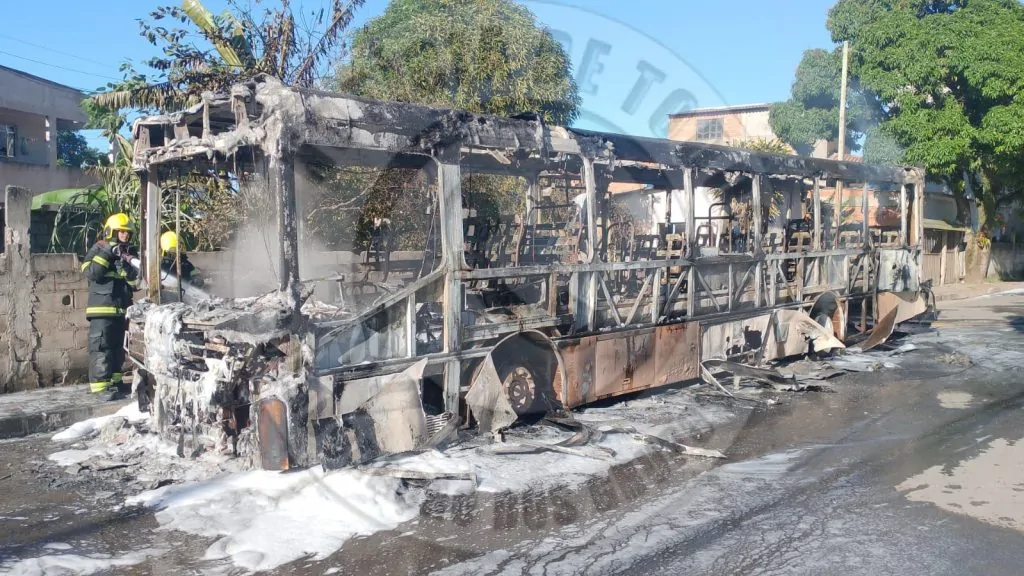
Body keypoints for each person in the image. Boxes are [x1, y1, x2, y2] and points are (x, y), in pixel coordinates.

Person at [81, 213, 139, 401]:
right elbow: (91, 273)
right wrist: (108, 253)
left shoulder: (128, 253)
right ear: (111, 232)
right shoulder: (99, 248)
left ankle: (115, 381)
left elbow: (133, 282)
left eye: (128, 233)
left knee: (117, 348)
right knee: (102, 346)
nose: (126, 236)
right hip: (102, 309)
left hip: (121, 310)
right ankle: (100, 387)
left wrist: (127, 265)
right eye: (122, 232)